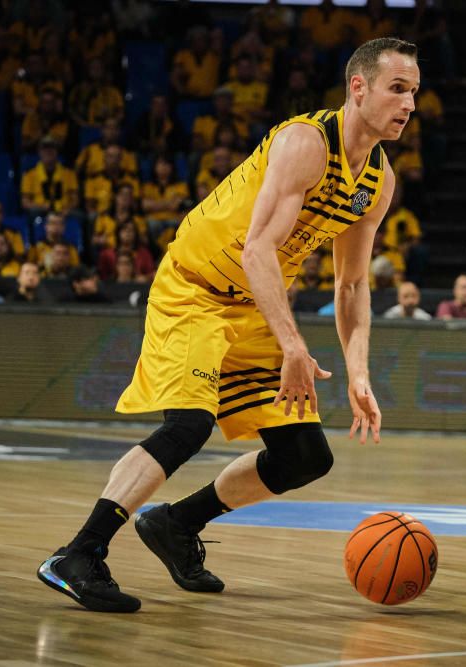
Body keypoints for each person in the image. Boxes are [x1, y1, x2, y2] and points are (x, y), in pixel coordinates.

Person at [37, 37, 418, 614]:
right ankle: (78, 554)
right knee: (189, 425)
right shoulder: (304, 143)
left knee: (305, 457)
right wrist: (292, 345)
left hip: (253, 306)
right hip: (195, 289)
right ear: (358, 88)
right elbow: (257, 250)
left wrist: (358, 373)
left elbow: (351, 285)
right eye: (397, 88)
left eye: (414, 91)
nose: (409, 103)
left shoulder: (378, 182)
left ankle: (175, 524)